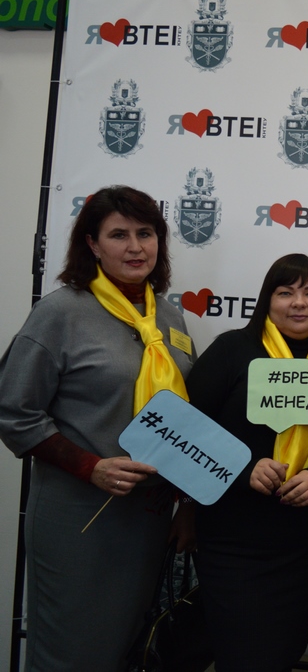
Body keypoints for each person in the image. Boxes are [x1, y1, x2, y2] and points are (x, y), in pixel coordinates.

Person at [0, 185, 194, 671]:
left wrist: (189, 504)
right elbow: (14, 411)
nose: (136, 247)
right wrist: (90, 466)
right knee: (70, 655)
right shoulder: (61, 312)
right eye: (118, 235)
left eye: (146, 233)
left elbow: (184, 420)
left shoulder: (169, 316)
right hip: (78, 515)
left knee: (123, 651)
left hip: (149, 519)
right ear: (92, 244)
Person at [185, 254, 308, 672]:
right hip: (233, 540)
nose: (299, 303)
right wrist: (244, 469)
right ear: (267, 301)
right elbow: (181, 431)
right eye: (285, 292)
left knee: (283, 653)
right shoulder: (232, 350)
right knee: (243, 657)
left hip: (305, 545)